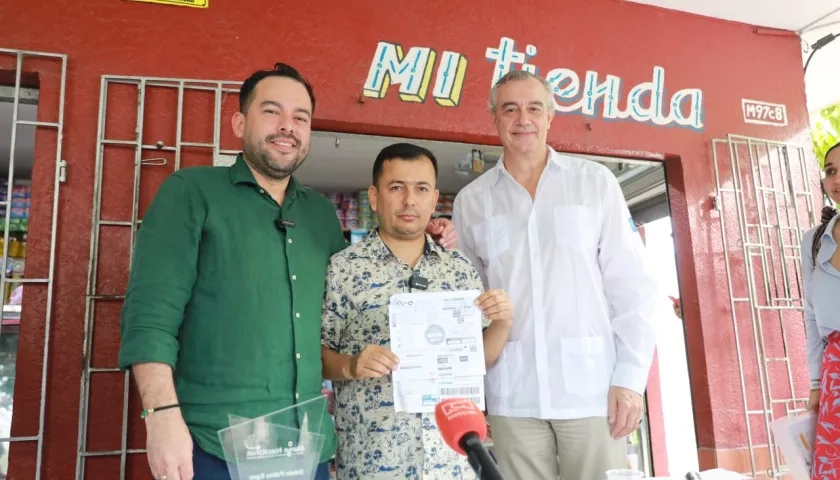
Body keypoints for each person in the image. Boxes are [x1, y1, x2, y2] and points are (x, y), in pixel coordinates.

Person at [118, 64, 458, 480]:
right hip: (214, 442)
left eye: (301, 117)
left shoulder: (318, 213)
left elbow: (356, 289)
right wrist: (161, 415)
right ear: (240, 122)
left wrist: (425, 234)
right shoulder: (192, 192)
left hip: (306, 444)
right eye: (272, 112)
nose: (288, 126)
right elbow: (150, 316)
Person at [452, 70, 660, 480]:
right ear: (494, 119)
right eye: (509, 109)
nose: (522, 119)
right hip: (512, 396)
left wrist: (631, 379)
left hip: (593, 392)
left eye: (534, 108)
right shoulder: (472, 201)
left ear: (550, 117)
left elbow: (634, 288)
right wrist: (470, 392)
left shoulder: (593, 183)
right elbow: (467, 308)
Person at [320, 142, 514, 479]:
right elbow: (316, 353)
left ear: (434, 198)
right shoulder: (343, 268)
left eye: (421, 188)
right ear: (375, 196)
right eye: (397, 187)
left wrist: (502, 321)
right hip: (374, 461)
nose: (410, 199)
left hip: (451, 461)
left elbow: (479, 358)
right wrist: (351, 365)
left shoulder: (459, 269)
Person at [802, 142, 840, 479]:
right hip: (835, 374)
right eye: (830, 170)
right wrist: (816, 384)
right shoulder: (814, 240)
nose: (837, 177)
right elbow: (811, 317)